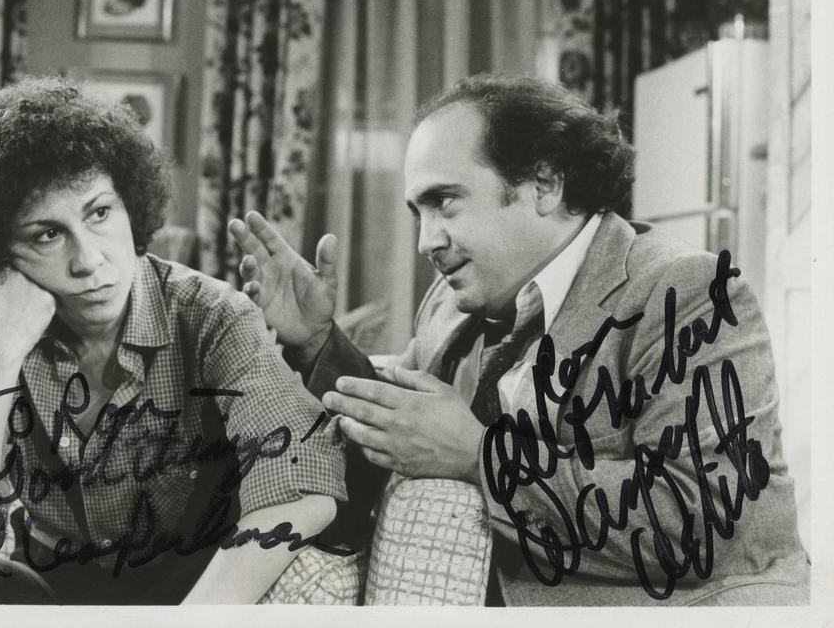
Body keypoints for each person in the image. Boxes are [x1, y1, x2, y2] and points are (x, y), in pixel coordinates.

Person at [228, 73, 809, 606]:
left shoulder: (685, 290)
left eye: (444, 202)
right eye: (417, 213)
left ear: (544, 184)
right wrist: (318, 343)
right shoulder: (449, 305)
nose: (427, 241)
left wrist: (480, 457)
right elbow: (403, 433)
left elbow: (712, 520)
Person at [0, 77, 345, 605]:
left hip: (189, 588)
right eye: (47, 234)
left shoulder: (212, 316)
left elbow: (303, 485)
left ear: (131, 207)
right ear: (0, 255)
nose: (89, 260)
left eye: (99, 213)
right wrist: (1, 347)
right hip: (48, 592)